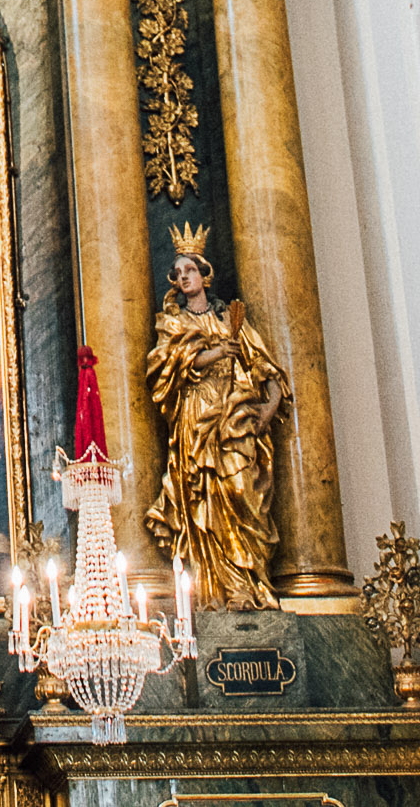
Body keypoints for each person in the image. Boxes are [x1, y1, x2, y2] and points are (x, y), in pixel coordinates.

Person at [142, 229, 290, 606]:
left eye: (190, 270)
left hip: (235, 417)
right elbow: (164, 368)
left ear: (204, 274)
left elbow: (268, 370)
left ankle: (254, 581)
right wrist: (215, 354)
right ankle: (225, 589)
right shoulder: (174, 323)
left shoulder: (230, 320)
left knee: (242, 492)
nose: (184, 278)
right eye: (178, 274)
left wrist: (267, 409)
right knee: (206, 497)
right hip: (196, 419)